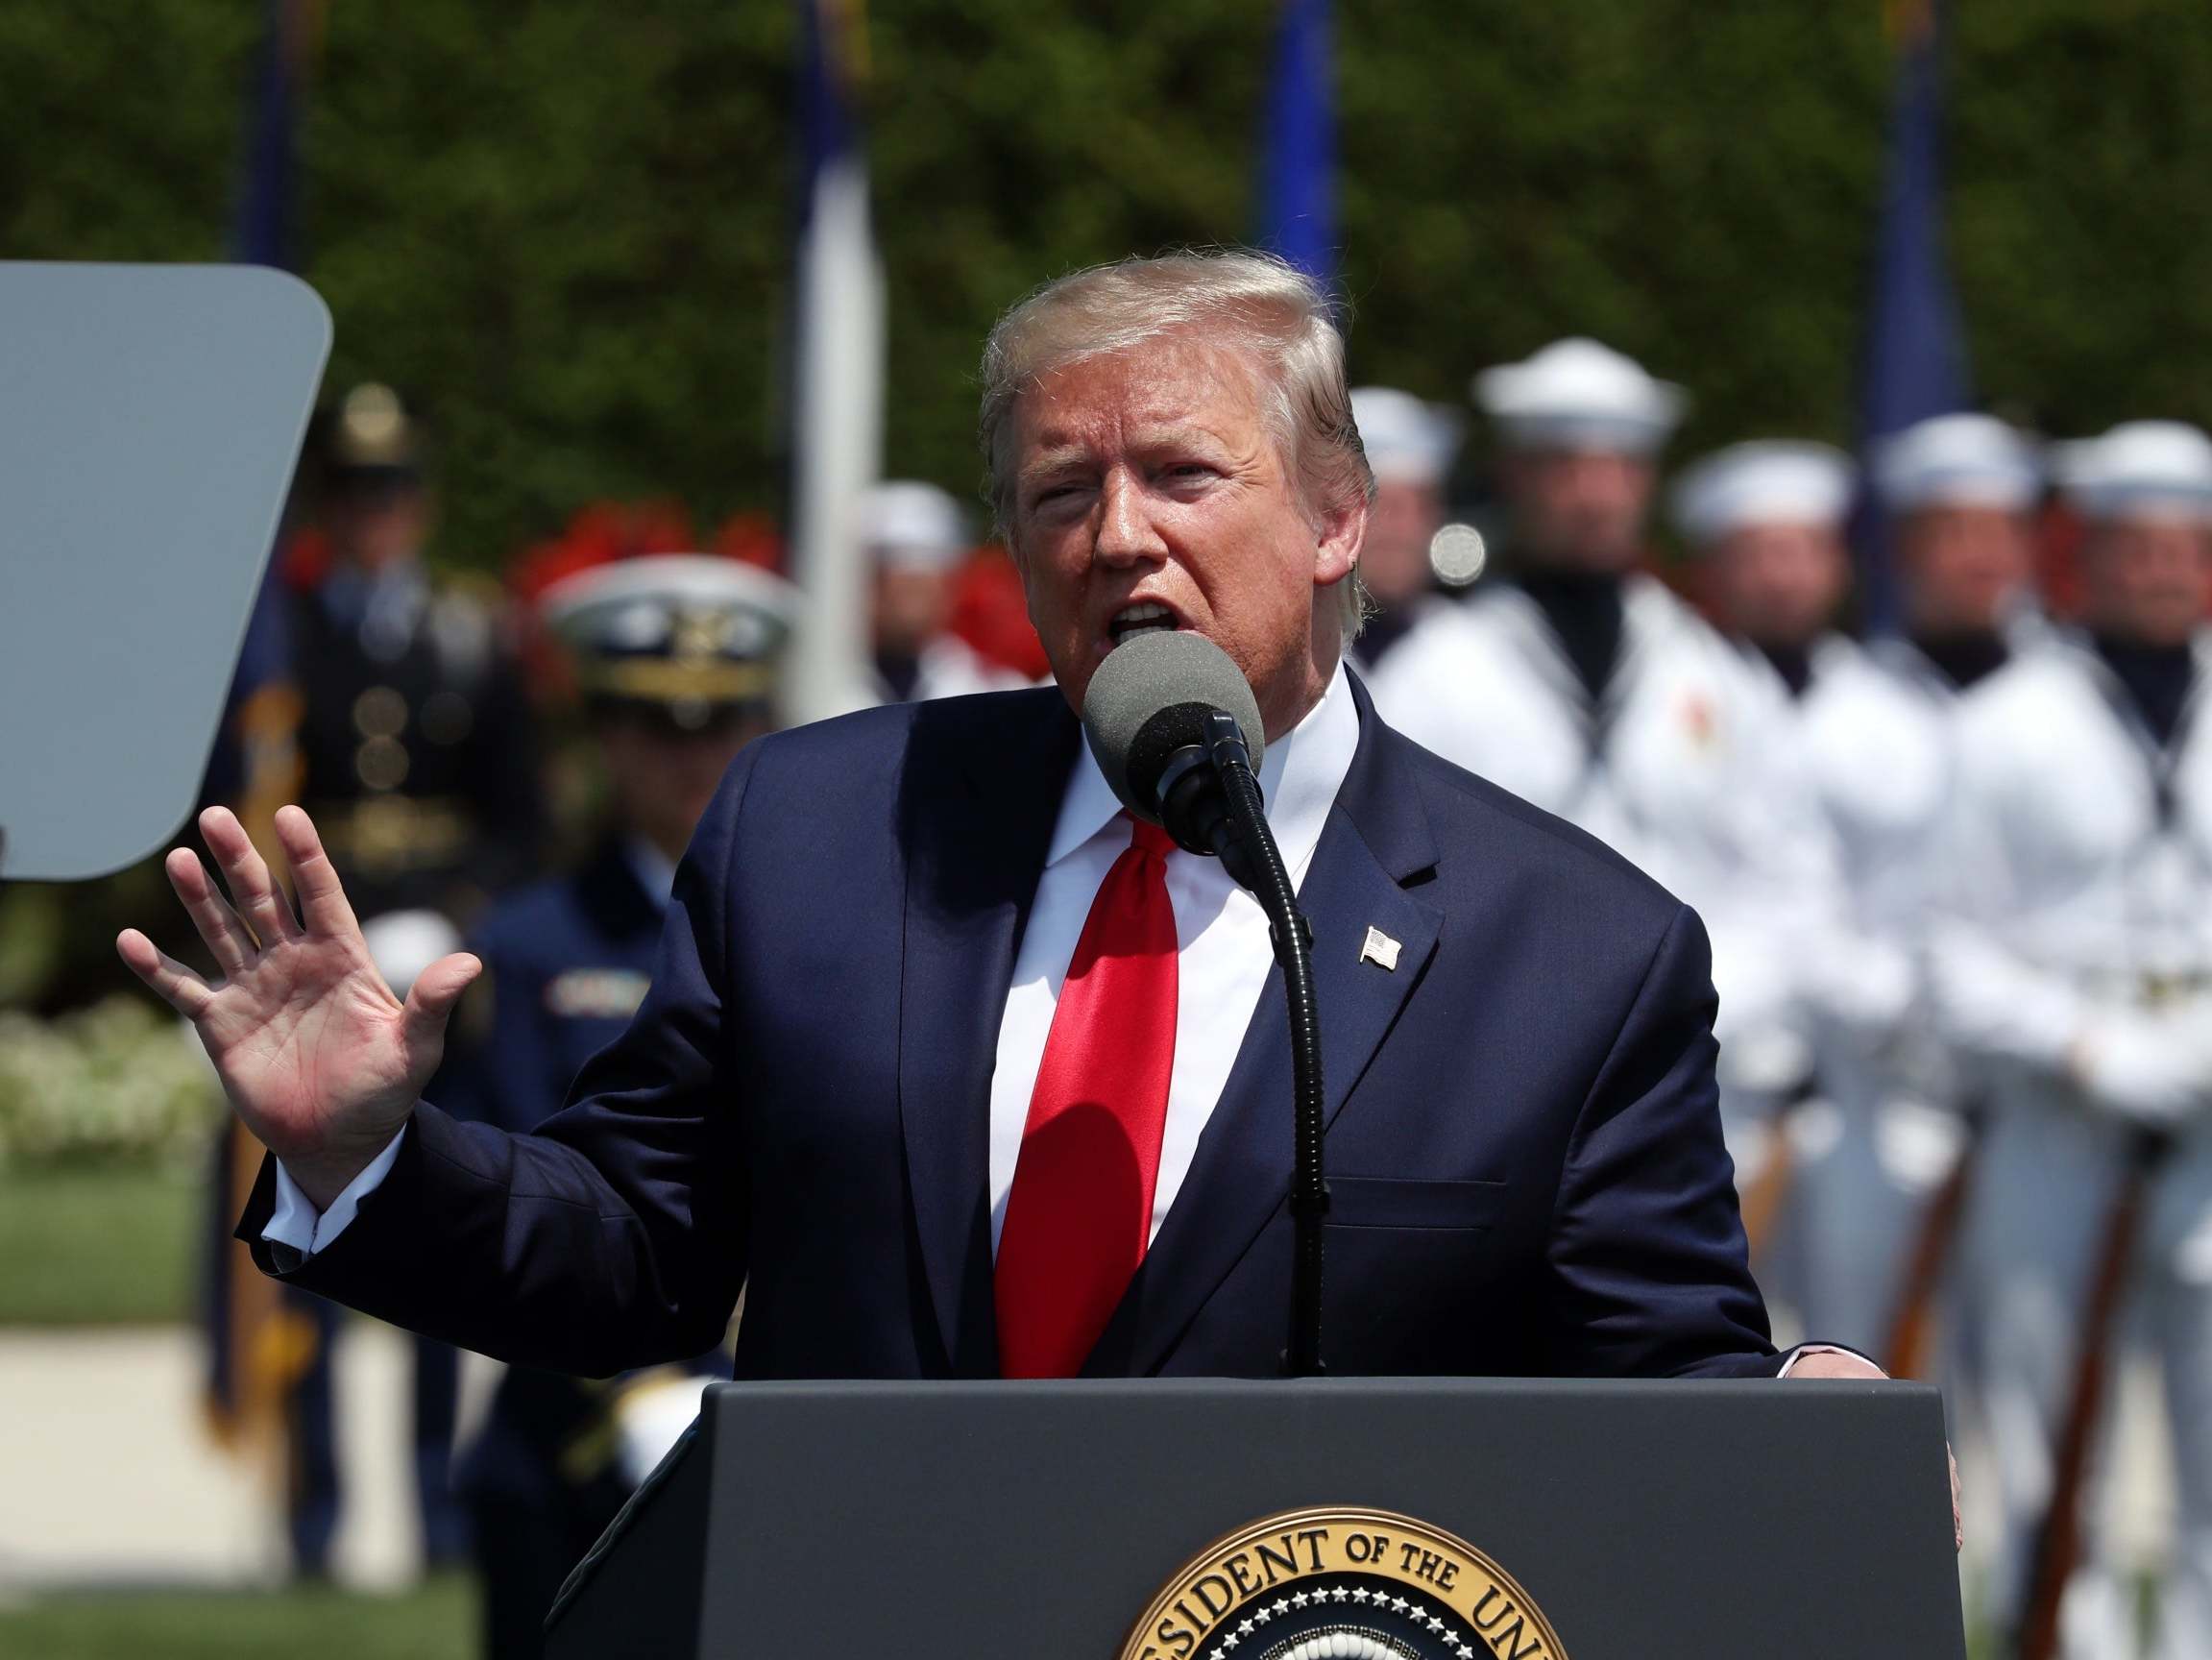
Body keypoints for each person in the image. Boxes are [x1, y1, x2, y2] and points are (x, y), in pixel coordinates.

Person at [121, 252, 1887, 1407]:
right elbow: (642, 1253)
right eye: (1060, 492)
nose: (1116, 537)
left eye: (1181, 476)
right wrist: (371, 1151)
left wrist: (1790, 1415)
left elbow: (1653, 1393)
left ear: (1341, 515)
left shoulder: (1570, 950)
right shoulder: (821, 832)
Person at [1367, 341, 1842, 1187]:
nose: (1592, 495)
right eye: (1563, 468)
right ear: (1512, 475)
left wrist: (1696, 1001)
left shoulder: (1717, 674)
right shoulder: (1432, 677)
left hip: (1706, 1083)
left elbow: (1792, 881)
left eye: (1616, 467)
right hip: (1503, 1089)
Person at [437, 553, 797, 1660]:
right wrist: (639, 1387)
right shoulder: (529, 946)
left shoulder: (818, 929)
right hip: (568, 1436)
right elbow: (511, 1180)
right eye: (657, 727)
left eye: (717, 724)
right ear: (603, 735)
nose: (689, 757)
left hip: (781, 1420)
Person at [1934, 420, 2212, 1659]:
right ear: (2082, 560)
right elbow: (1943, 955)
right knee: (2052, 1439)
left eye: (2184, 549)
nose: (2161, 572)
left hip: (2206, 1131)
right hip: (2058, 1126)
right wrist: (2087, 1050)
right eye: (2135, 549)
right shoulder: (2001, 725)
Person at [273, 382, 545, 1572]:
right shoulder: (277, 641)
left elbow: (521, 816)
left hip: (437, 977)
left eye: (389, 493)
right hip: (318, 976)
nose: (373, 514)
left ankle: (437, 1520)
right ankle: (313, 1523)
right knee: (305, 1255)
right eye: (352, 493)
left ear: (419, 505)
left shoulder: (468, 631)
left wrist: (456, 918)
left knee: (431, 1244)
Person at [864, 479, 1033, 702]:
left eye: (921, 586)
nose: (910, 602)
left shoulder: (995, 689)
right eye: (895, 582)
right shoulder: (816, 678)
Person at [1343, 385, 1460, 671]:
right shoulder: (1292, 655)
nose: (1399, 532)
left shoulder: (1478, 656)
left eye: (1416, 508)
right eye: (1379, 507)